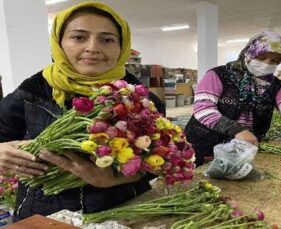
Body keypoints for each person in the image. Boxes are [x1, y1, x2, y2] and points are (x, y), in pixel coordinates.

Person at [0, 2, 165, 221]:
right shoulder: (31, 92)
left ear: (121, 46)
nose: (92, 47)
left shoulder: (141, 101)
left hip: (123, 211)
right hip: (43, 215)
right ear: (59, 43)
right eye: (79, 37)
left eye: (106, 39)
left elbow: (158, 161)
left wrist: (115, 179)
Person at [185, 31, 281, 167]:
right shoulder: (218, 75)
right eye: (262, 57)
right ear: (250, 52)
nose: (266, 64)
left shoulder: (274, 86)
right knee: (199, 178)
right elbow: (204, 109)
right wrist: (237, 130)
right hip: (204, 143)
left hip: (242, 149)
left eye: (274, 60)